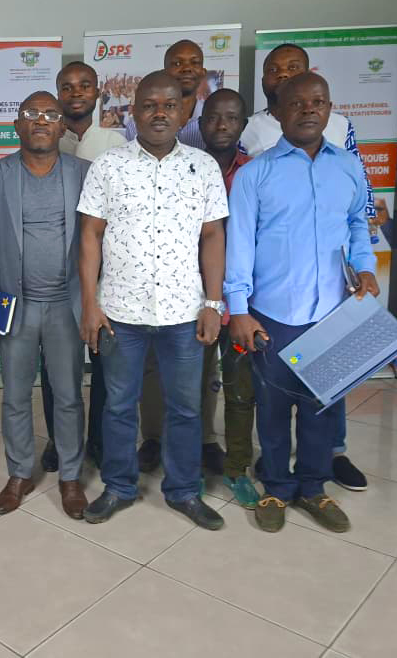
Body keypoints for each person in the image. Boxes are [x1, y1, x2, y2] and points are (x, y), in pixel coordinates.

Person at [226, 72, 378, 534]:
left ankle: (314, 487)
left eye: (319, 102)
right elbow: (240, 245)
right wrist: (239, 309)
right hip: (274, 313)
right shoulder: (256, 173)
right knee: (272, 409)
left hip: (332, 310)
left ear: (329, 110)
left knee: (323, 407)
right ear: (281, 111)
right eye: (299, 103)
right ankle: (276, 485)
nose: (309, 110)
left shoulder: (348, 168)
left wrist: (366, 264)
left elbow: (356, 223)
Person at [77, 71, 228, 530]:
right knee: (119, 404)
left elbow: (213, 236)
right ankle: (119, 486)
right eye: (149, 105)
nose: (159, 112)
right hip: (121, 311)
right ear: (133, 112)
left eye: (169, 104)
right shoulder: (108, 166)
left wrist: (213, 304)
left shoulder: (203, 168)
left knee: (185, 407)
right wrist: (90, 303)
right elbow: (90, 236)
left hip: (184, 311)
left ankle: (184, 490)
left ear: (184, 111)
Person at [139, 89, 259, 507]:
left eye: (231, 119)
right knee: (188, 381)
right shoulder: (184, 165)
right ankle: (168, 445)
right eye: (213, 118)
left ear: (243, 125)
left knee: (238, 383)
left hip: (242, 295)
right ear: (199, 122)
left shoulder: (253, 171)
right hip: (191, 293)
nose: (221, 126)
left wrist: (228, 299)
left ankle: (227, 458)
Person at [0, 91, 90, 519]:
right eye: (31, 113)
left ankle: (70, 476)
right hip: (16, 304)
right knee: (14, 396)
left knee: (68, 395)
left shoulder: (85, 173)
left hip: (67, 305)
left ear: (63, 125)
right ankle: (18, 474)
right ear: (17, 124)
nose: (41, 120)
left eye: (51, 114)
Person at [48, 61, 127, 473]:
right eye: (67, 86)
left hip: (106, 273)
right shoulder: (45, 141)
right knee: (56, 364)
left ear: (98, 93)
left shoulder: (117, 143)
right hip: (57, 275)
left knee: (104, 363)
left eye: (84, 86)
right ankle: (57, 441)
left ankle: (97, 440)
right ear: (58, 94)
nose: (76, 93)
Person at [125, 40, 208, 149]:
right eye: (177, 63)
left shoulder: (212, 120)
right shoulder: (136, 124)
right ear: (164, 72)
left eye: (194, 63)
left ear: (203, 73)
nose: (187, 69)